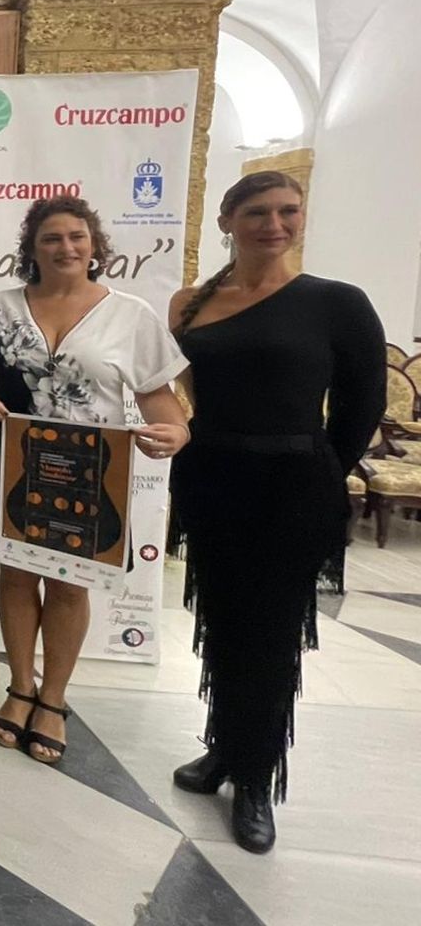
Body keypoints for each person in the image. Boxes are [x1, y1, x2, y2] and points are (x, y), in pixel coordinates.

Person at [167, 171, 384, 853]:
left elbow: (363, 405)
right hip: (211, 476)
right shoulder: (189, 303)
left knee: (273, 631)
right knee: (222, 619)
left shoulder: (337, 302)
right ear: (228, 218)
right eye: (258, 211)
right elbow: (177, 393)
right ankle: (225, 745)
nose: (275, 223)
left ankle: (259, 776)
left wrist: (321, 468)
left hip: (294, 482)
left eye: (288, 210)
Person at [0, 195, 189, 765]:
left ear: (95, 245)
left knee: (67, 584)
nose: (66, 247)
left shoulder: (130, 316)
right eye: (52, 238)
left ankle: (53, 698)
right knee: (15, 577)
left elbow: (163, 400)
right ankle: (20, 688)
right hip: (14, 465)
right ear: (32, 249)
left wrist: (178, 433)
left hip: (90, 473)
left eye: (77, 237)